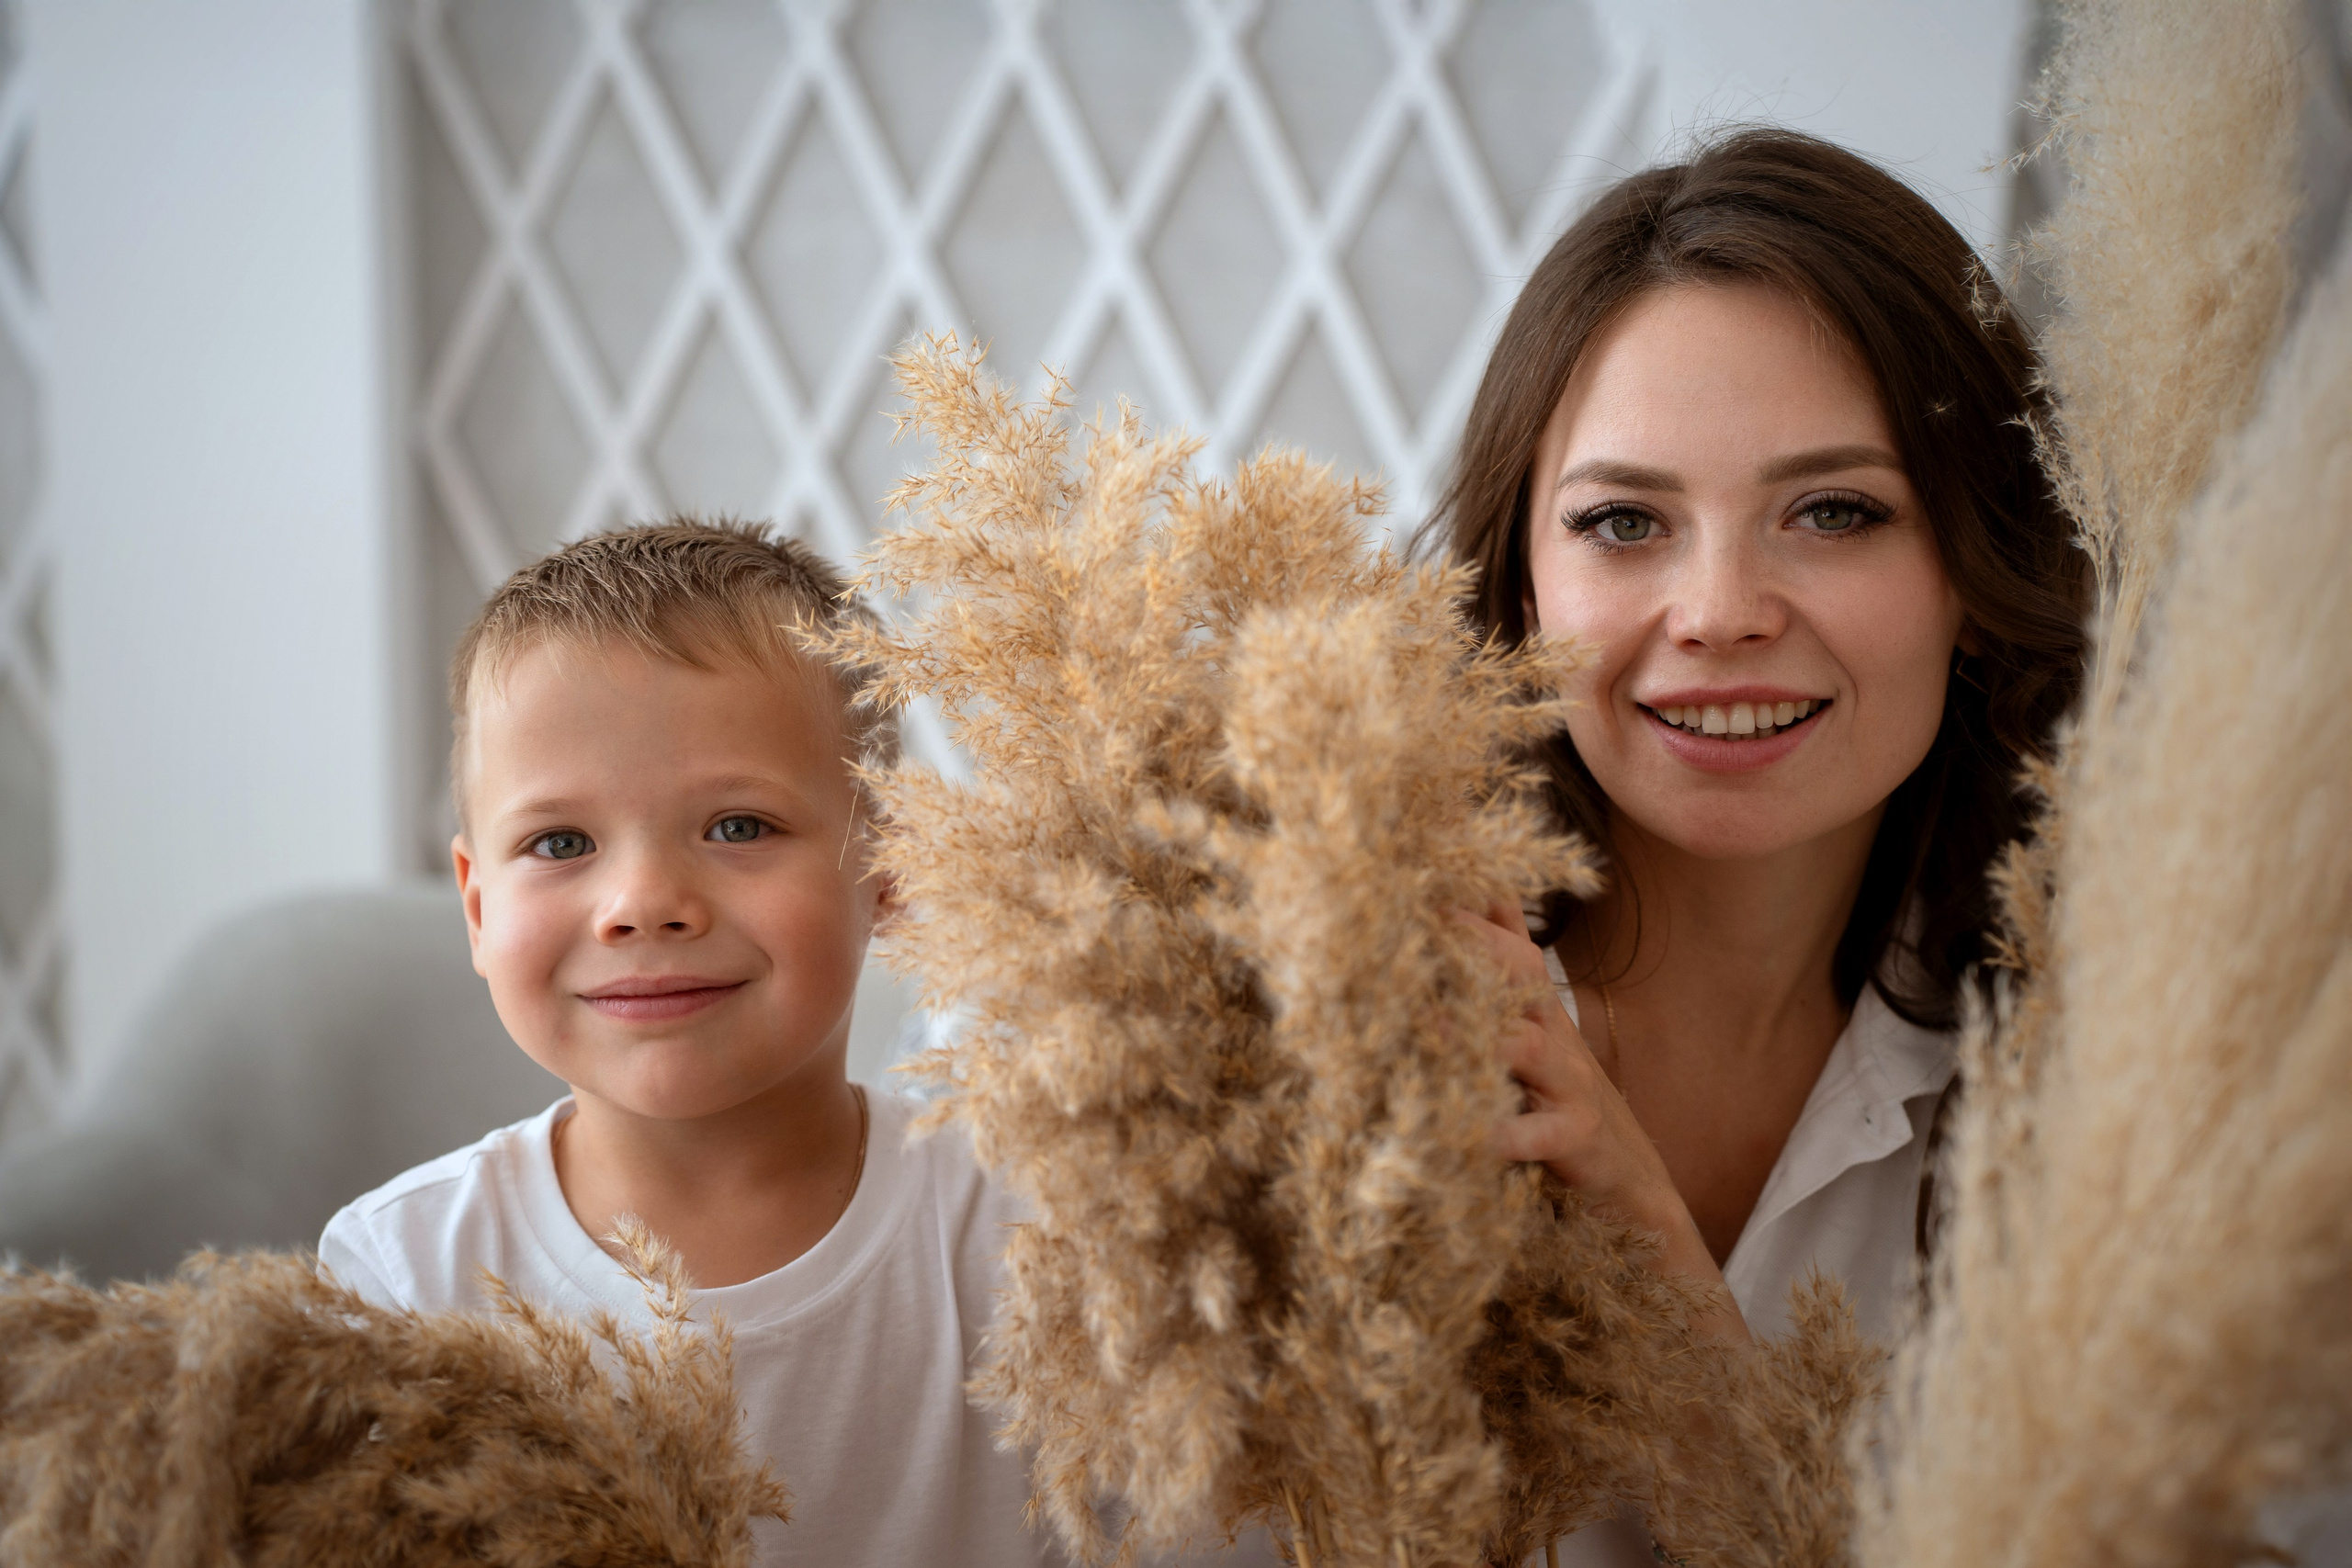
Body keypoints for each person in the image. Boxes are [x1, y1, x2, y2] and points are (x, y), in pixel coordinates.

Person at [1437, 130, 2088, 1562]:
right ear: (1522, 588)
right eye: (1623, 521)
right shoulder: (1372, 1032)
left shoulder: (2096, 1101)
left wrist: (1656, 1268)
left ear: (1976, 573)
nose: (1720, 608)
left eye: (1835, 510)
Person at [317, 519, 1056, 1566]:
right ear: (477, 908)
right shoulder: (407, 1276)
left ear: (887, 865)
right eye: (559, 843)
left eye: (737, 827)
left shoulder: (1029, 1234)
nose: (642, 904)